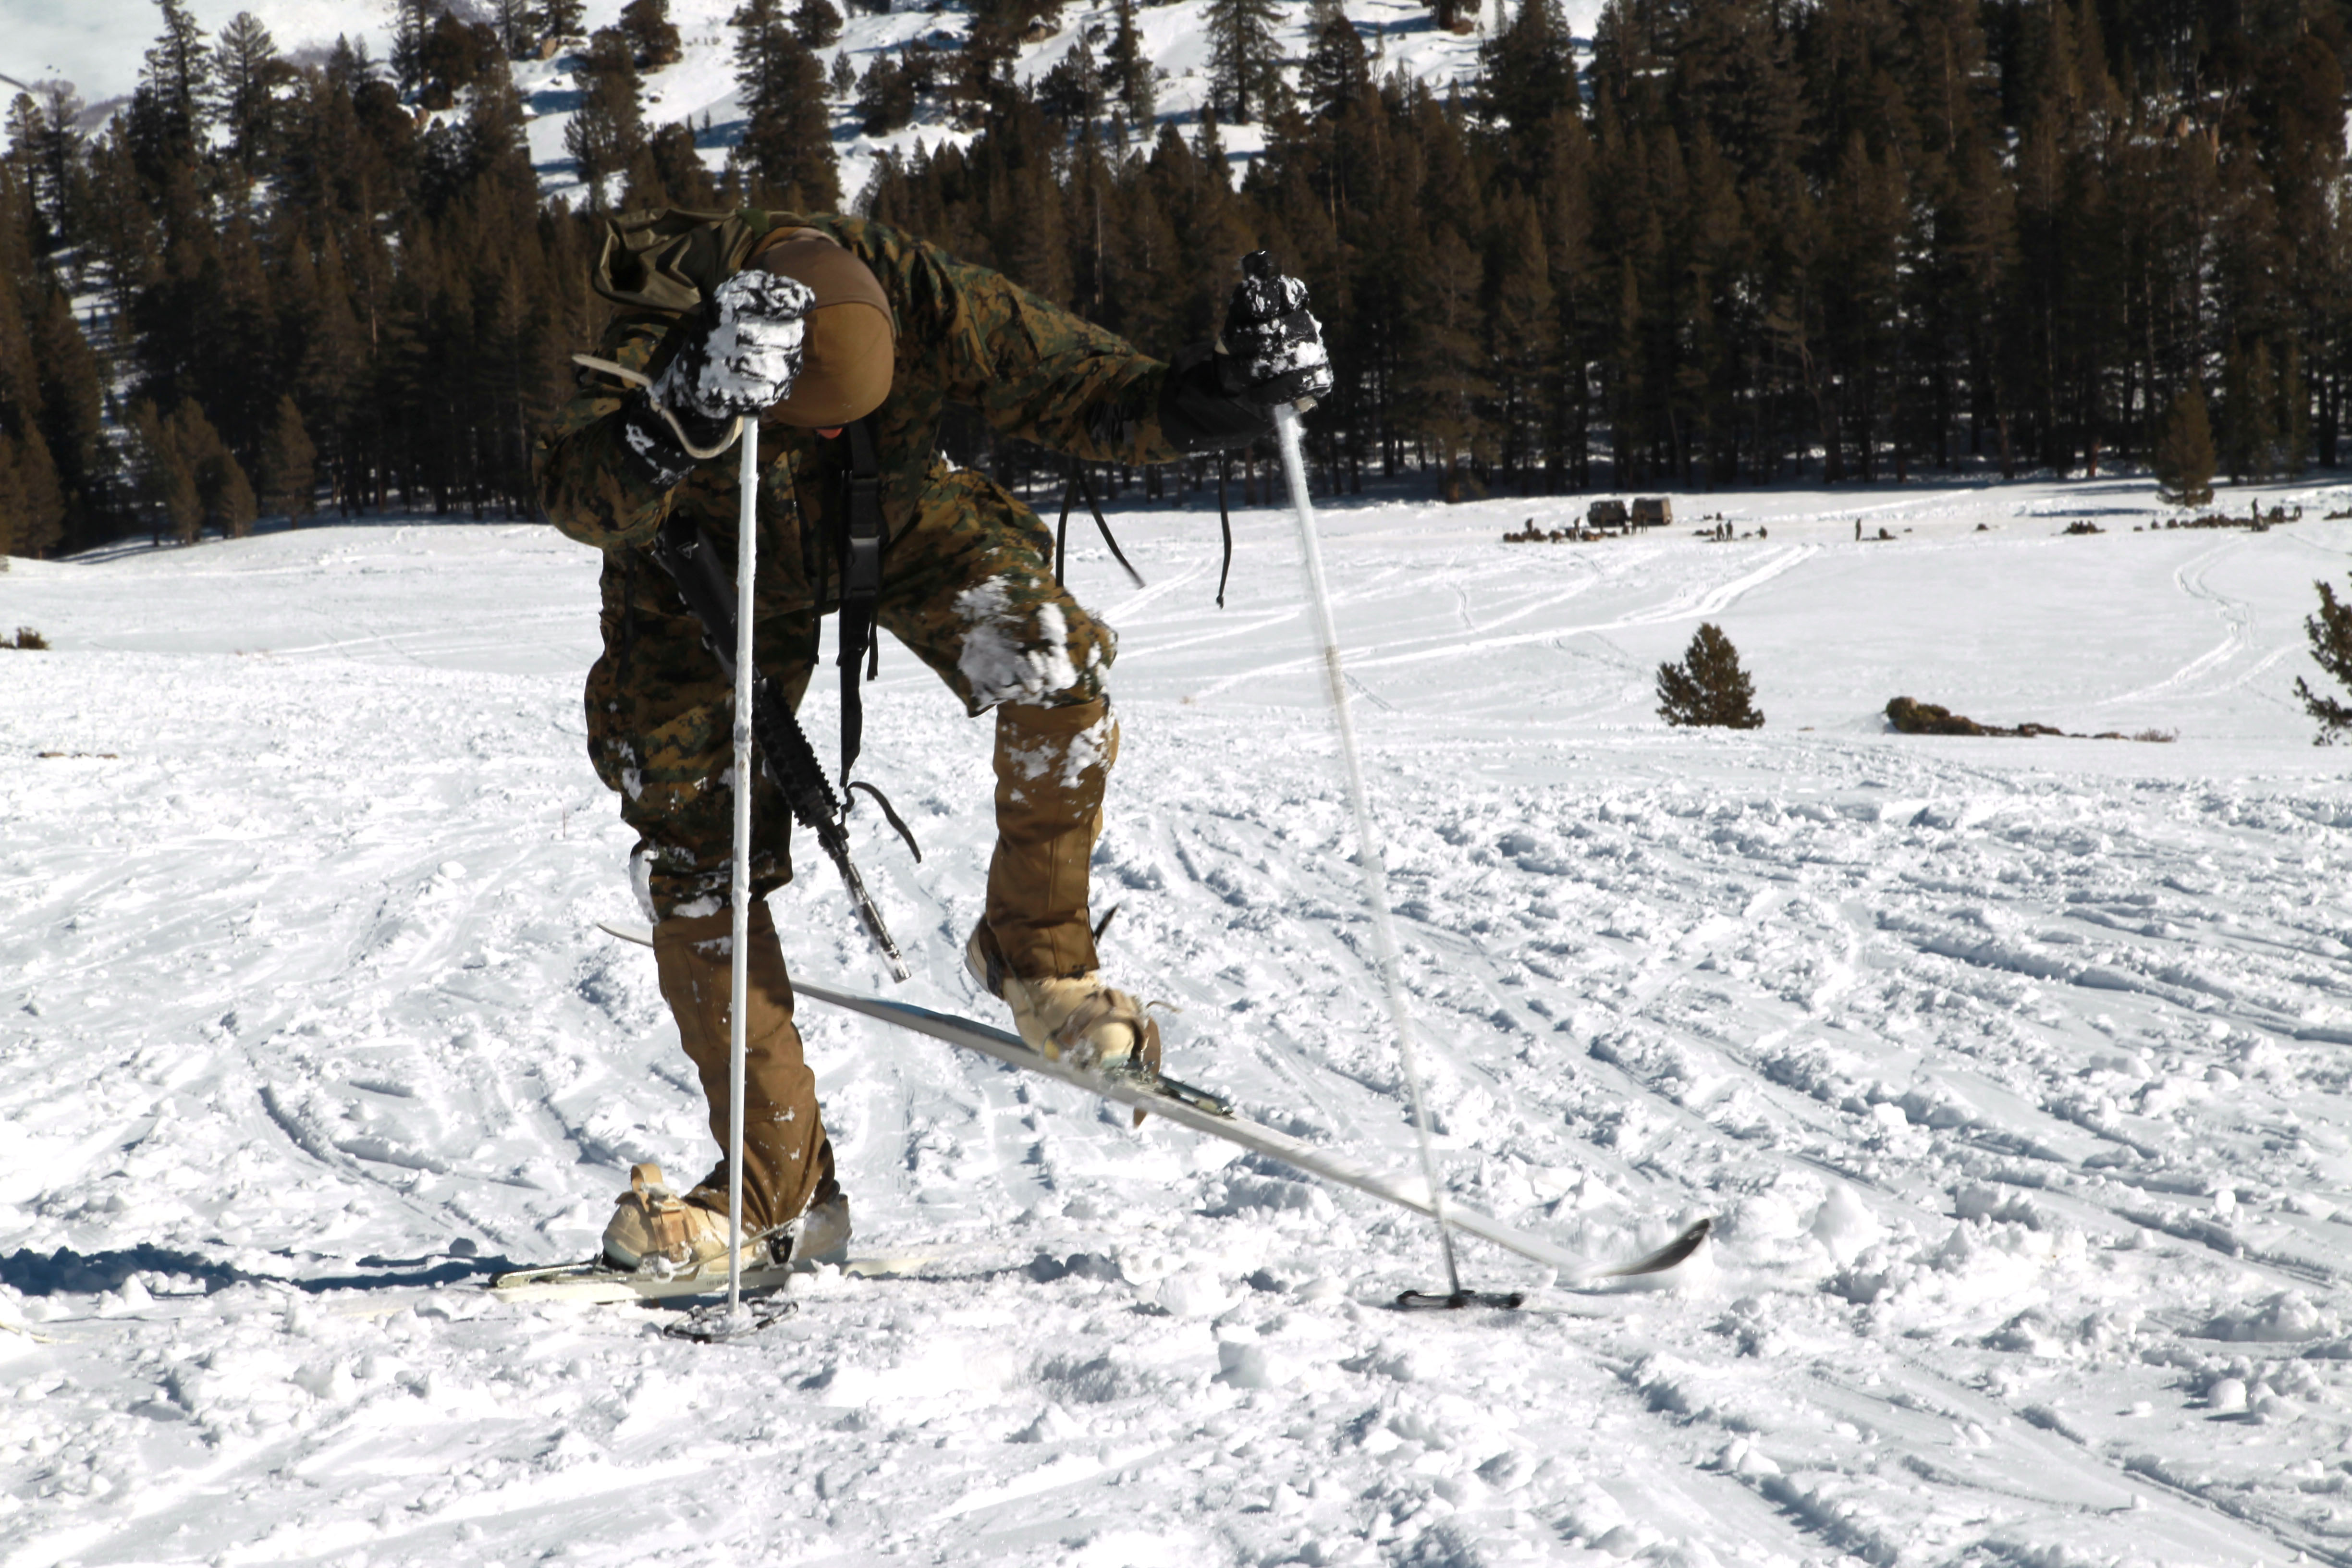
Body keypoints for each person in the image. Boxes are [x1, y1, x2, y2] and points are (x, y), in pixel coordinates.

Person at [534, 210, 1331, 1277]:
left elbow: (1080, 385)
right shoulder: (672, 324)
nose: (819, 434)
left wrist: (1227, 393)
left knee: (1055, 661)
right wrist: (678, 410)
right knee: (699, 848)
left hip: (895, 516)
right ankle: (783, 1189)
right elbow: (571, 491)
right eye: (805, 424)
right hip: (700, 562)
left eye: (834, 423)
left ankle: (1041, 960)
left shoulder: (907, 287)